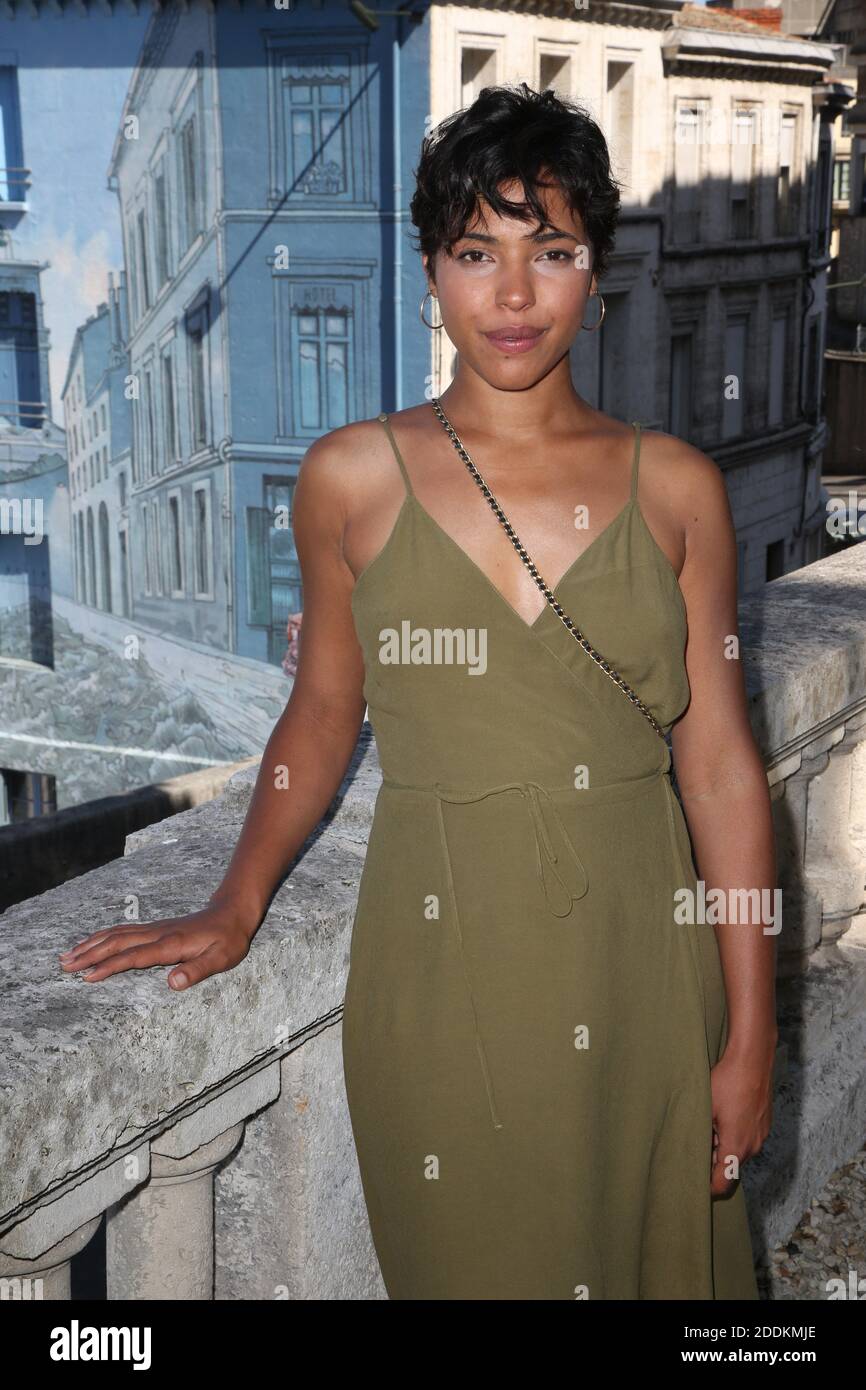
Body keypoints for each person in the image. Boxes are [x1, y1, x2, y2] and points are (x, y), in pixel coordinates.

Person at [59, 83, 777, 1300]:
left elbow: (717, 769)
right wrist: (237, 899)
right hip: (440, 961)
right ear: (431, 273)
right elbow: (321, 713)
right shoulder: (351, 477)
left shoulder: (676, 488)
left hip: (643, 966)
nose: (510, 294)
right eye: (473, 253)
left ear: (594, 268)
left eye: (548, 252)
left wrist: (751, 1032)